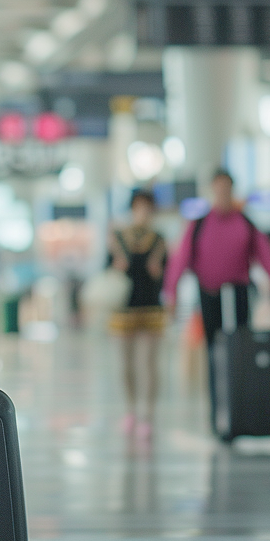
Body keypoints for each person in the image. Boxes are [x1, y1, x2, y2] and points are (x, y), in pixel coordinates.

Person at [163, 169, 270, 428]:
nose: (222, 195)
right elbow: (180, 259)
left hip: (238, 293)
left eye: (227, 189)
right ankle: (217, 410)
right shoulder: (200, 225)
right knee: (214, 352)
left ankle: (240, 406)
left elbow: (265, 254)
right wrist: (171, 293)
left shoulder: (245, 223)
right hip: (209, 294)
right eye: (218, 189)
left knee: (240, 349)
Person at [106, 189, 168, 440]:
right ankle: (131, 409)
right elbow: (106, 268)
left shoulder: (159, 240)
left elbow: (167, 272)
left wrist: (160, 272)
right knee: (125, 364)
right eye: (139, 207)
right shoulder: (118, 238)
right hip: (124, 308)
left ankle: (147, 415)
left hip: (151, 307)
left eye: (147, 208)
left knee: (148, 364)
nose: (143, 212)